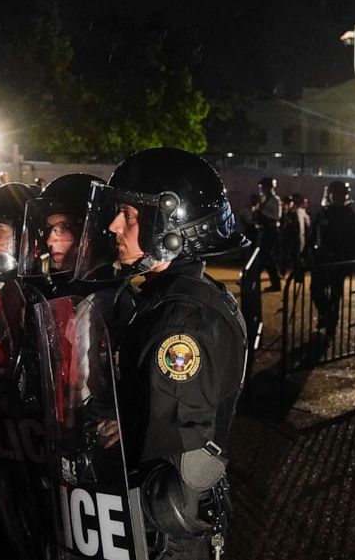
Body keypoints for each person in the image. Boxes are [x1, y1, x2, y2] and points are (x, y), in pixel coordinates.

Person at [84, 147, 248, 559]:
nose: (113, 226)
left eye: (130, 216)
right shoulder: (179, 296)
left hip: (162, 532)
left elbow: (178, 453)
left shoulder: (182, 321)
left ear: (171, 228)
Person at [309, 180, 355, 334]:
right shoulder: (324, 212)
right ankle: (326, 314)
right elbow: (314, 233)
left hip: (340, 258)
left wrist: (351, 260)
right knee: (316, 289)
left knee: (335, 294)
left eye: (341, 194)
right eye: (335, 194)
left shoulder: (349, 214)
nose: (338, 197)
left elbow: (354, 239)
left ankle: (331, 323)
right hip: (323, 258)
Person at [254, 177, 282, 291]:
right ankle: (274, 283)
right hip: (265, 230)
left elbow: (275, 217)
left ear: (269, 187)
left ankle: (253, 279)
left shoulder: (274, 200)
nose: (261, 189)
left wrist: (261, 215)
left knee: (266, 257)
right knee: (265, 257)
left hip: (270, 231)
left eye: (263, 186)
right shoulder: (265, 199)